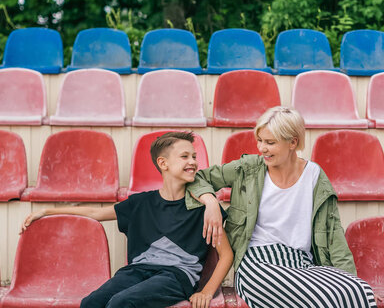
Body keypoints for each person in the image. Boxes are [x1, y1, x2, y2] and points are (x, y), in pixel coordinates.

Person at [186, 107, 377, 308]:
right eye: (260, 140)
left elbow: (333, 234)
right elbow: (198, 178)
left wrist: (347, 279)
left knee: (359, 290)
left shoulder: (314, 176)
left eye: (270, 143)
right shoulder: (249, 168)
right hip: (258, 264)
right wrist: (210, 202)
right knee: (322, 298)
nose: (262, 149)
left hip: (302, 263)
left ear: (293, 142)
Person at [22, 131, 233, 308]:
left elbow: (226, 255)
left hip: (176, 276)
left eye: (194, 156)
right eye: (185, 156)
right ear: (163, 163)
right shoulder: (140, 203)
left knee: (121, 303)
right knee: (91, 303)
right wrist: (47, 211)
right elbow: (97, 214)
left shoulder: (202, 207)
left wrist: (206, 292)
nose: (193, 162)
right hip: (137, 271)